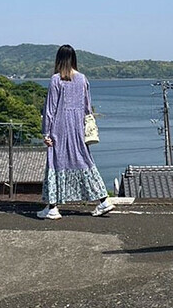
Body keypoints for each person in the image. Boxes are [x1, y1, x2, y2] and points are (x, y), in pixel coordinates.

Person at [37, 44, 114, 220]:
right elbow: (87, 107)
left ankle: (53, 208)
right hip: (78, 127)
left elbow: (50, 109)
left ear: (58, 59)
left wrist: (46, 133)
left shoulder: (56, 79)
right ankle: (103, 200)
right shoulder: (82, 79)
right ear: (74, 59)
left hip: (59, 127)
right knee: (84, 161)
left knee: (55, 163)